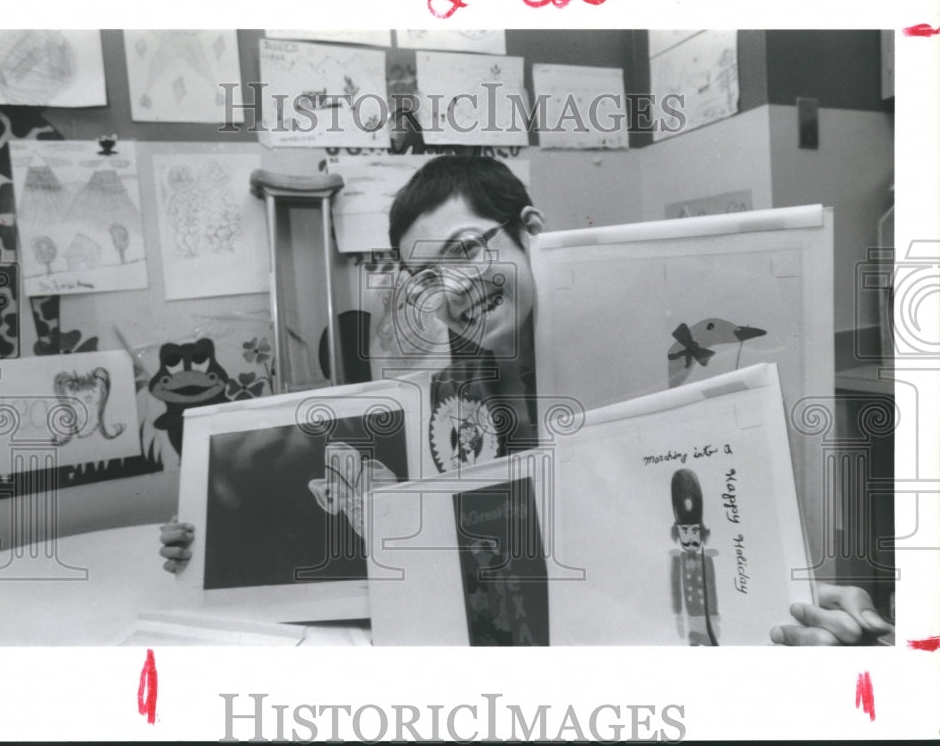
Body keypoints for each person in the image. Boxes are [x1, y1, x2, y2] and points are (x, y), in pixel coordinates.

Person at [160, 154, 893, 646]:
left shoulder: (640, 360)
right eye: (423, 277)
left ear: (530, 232)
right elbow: (384, 555)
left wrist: (819, 602)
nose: (447, 290)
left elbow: (749, 517)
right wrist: (219, 534)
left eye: (464, 251)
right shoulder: (440, 403)